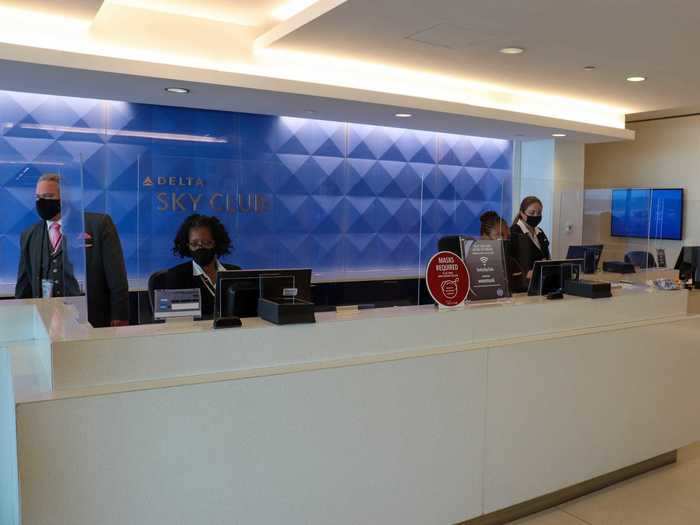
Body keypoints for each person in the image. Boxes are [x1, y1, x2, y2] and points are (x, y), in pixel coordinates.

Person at [15, 173, 130, 328]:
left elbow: (117, 276)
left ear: (65, 198)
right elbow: (24, 285)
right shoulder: (29, 235)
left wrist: (120, 316)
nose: (41, 202)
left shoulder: (98, 225)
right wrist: (21, 321)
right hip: (46, 324)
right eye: (38, 197)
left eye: (48, 196)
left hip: (90, 320)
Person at [162, 214, 240, 319]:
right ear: (187, 246)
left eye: (206, 243)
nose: (200, 248)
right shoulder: (177, 276)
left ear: (216, 243)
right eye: (194, 244)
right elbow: (177, 322)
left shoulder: (234, 273)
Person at [479, 211, 528, 293]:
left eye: (508, 236)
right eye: (500, 235)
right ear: (485, 237)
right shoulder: (473, 262)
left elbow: (520, 289)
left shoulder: (511, 262)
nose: (505, 240)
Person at [510, 196, 551, 279]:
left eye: (539, 213)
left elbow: (547, 256)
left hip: (542, 279)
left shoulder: (540, 232)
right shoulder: (514, 232)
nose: (536, 216)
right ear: (522, 213)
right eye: (532, 213)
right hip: (523, 282)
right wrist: (525, 272)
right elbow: (511, 262)